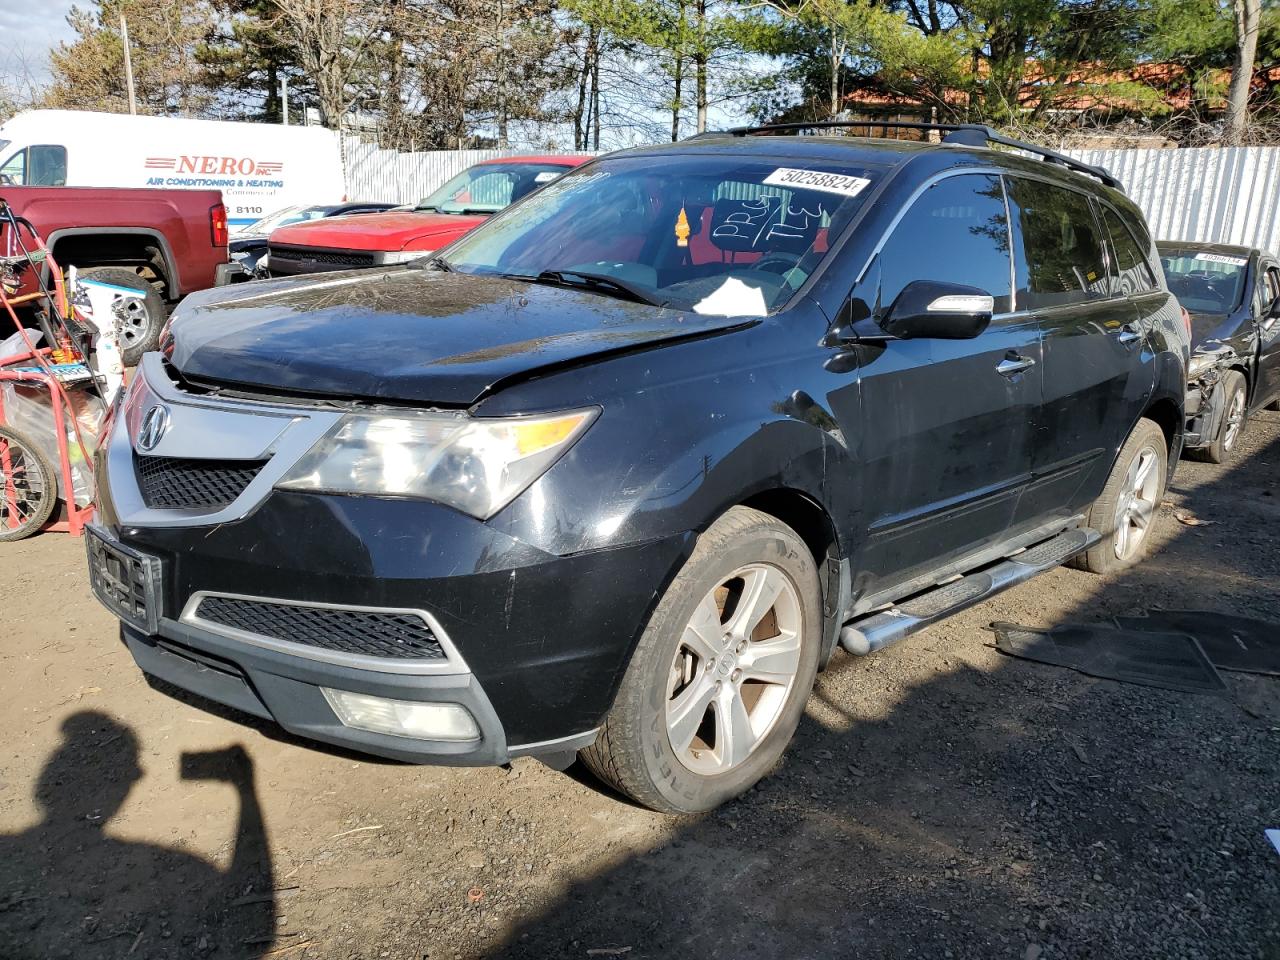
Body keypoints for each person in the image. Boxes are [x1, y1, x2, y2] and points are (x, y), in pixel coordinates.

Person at [0, 710, 274, 959]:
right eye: (133, 768)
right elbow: (260, 931)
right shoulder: (192, 866)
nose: (137, 774)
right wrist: (246, 792)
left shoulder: (12, 859)